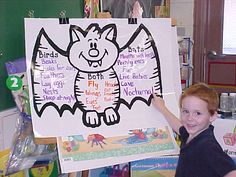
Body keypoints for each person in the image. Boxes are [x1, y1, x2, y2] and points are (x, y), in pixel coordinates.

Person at [152, 83, 236, 177]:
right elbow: (178, 126)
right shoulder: (192, 135)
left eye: (198, 113)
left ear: (212, 116)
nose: (190, 118)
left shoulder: (207, 147)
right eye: (186, 111)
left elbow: (231, 173)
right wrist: (162, 108)